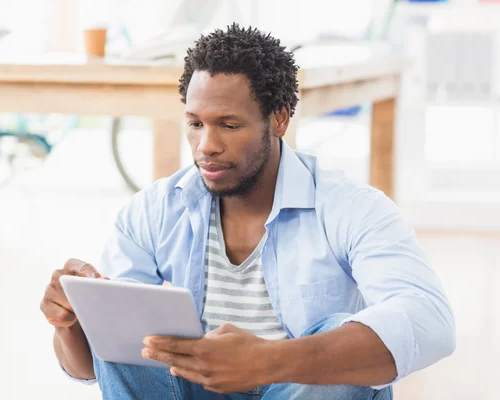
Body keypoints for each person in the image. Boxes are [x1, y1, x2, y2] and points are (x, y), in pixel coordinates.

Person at [40, 24, 455, 399]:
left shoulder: (351, 207)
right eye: (195, 124)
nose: (206, 146)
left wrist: (268, 360)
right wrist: (71, 324)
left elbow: (429, 320)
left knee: (339, 338)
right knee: (131, 337)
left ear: (278, 119)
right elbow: (98, 367)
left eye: (229, 125)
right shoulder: (153, 210)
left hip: (300, 390)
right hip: (196, 390)